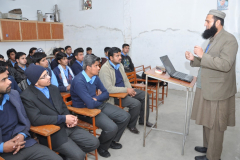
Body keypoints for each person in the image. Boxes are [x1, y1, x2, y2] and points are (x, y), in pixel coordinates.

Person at [185, 10, 238, 160]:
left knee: (215, 126)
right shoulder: (213, 38)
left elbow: (225, 64)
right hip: (206, 87)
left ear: (218, 22)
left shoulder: (230, 40)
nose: (205, 24)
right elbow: (207, 61)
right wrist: (193, 59)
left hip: (218, 91)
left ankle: (213, 157)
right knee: (207, 121)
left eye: (208, 21)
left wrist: (202, 55)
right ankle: (208, 148)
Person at [21, 64, 99, 160]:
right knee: (79, 155)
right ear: (36, 82)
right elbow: (36, 119)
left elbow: (62, 106)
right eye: (44, 76)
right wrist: (63, 118)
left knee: (94, 143)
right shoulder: (27, 96)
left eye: (47, 74)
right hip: (52, 132)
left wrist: (69, 118)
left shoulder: (53, 88)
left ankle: (68, 154)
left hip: (67, 126)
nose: (49, 77)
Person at [70, 55, 130, 158]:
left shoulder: (94, 77)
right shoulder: (79, 81)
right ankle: (102, 146)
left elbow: (106, 93)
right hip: (85, 111)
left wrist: (96, 99)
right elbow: (90, 104)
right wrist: (96, 99)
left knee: (125, 116)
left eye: (99, 65)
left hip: (96, 105)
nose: (99, 68)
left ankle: (110, 140)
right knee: (111, 127)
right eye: (96, 65)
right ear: (88, 67)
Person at [0, 67, 62, 160]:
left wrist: (22, 134)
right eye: (3, 80)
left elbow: (25, 119)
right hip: (4, 153)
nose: (9, 82)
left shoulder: (14, 94)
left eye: (7, 78)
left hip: (24, 143)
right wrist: (2, 147)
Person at [99, 47, 153, 134]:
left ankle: (143, 120)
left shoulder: (119, 65)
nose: (120, 57)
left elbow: (125, 80)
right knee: (135, 103)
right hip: (115, 95)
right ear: (111, 58)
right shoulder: (105, 69)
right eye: (117, 56)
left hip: (125, 90)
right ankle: (131, 125)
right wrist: (127, 90)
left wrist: (130, 89)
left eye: (120, 55)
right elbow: (108, 89)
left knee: (145, 95)